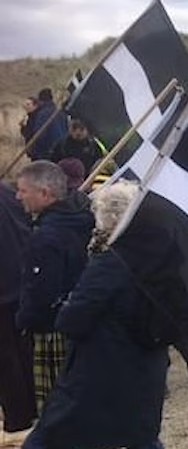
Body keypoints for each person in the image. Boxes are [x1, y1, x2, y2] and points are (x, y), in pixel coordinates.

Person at [23, 181, 169, 449]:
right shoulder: (161, 262)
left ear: (107, 218)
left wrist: (66, 306)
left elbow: (72, 321)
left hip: (101, 370)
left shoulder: (110, 263)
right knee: (139, 435)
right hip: (146, 369)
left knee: (46, 438)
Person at [15, 161, 95, 413]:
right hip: (80, 323)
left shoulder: (46, 236)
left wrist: (23, 319)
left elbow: (42, 292)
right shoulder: (83, 220)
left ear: (45, 194)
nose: (18, 197)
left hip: (52, 329)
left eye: (23, 191)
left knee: (56, 410)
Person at [0, 183, 36, 447]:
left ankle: (18, 418)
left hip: (3, 286)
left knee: (6, 357)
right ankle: (32, 409)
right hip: (20, 282)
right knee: (23, 350)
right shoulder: (10, 194)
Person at [24, 89, 68, 161]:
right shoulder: (61, 112)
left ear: (40, 101)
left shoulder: (42, 114)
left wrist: (35, 152)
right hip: (61, 151)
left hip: (45, 154)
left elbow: (39, 135)